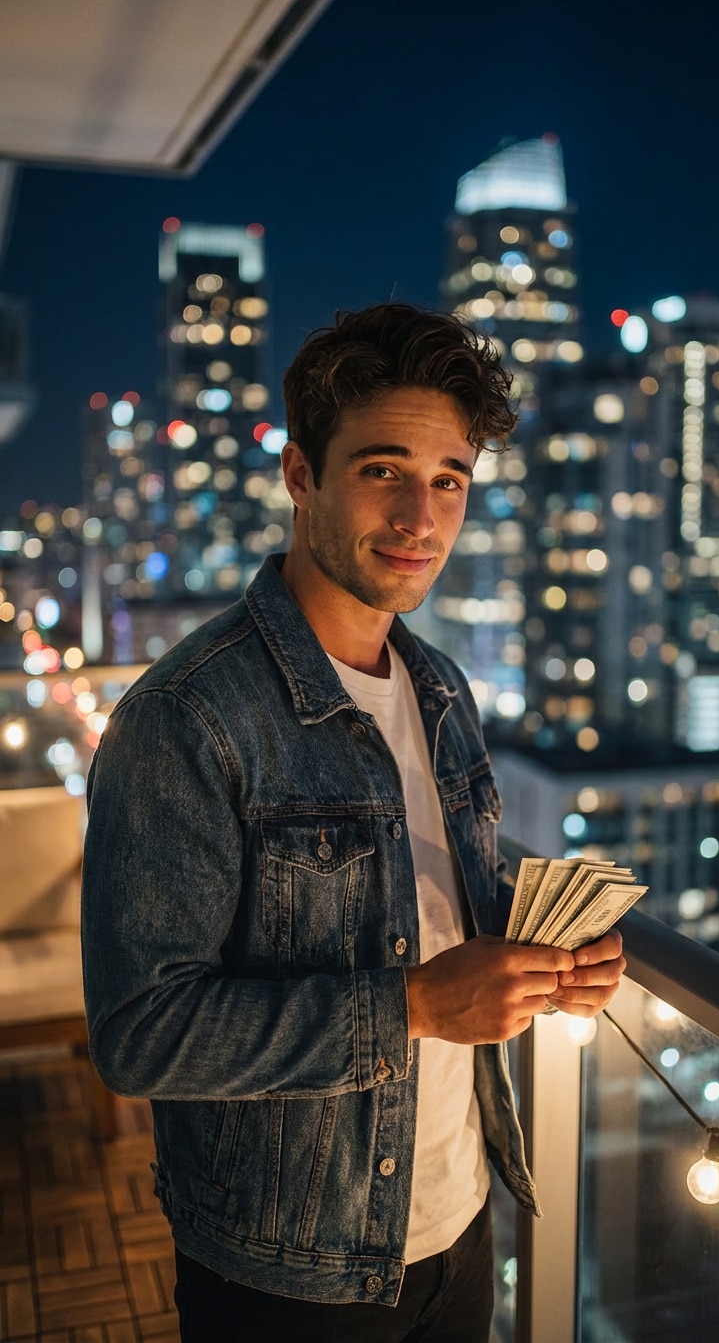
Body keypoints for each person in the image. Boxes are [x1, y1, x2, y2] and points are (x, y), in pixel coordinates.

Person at [81, 303, 625, 1342]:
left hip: (464, 1222)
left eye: (450, 480)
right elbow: (138, 1034)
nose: (422, 516)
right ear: (300, 475)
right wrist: (414, 1004)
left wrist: (551, 950)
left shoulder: (441, 686)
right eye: (383, 469)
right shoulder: (187, 718)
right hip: (289, 1273)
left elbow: (427, 894)